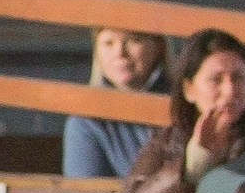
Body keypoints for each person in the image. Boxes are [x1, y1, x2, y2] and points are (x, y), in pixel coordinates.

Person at [111, 28, 245, 193]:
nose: (230, 91)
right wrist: (194, 165)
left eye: (239, 78)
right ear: (189, 90)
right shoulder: (169, 141)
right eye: (216, 80)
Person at [60, 25, 168, 180]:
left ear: (158, 47)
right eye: (109, 43)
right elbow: (85, 190)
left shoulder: (185, 105)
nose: (120, 53)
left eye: (133, 40)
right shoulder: (86, 122)